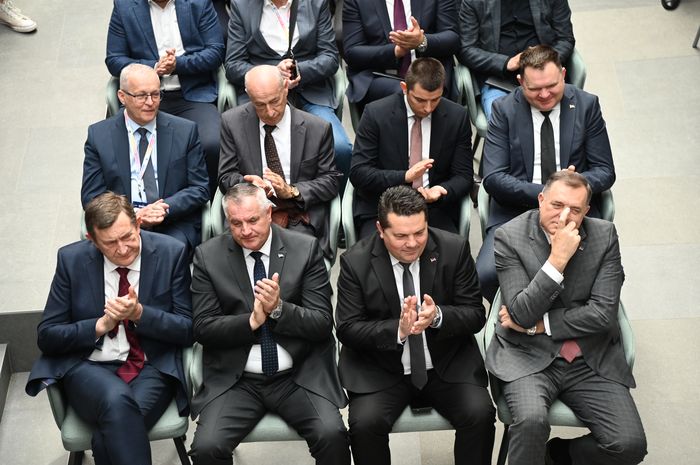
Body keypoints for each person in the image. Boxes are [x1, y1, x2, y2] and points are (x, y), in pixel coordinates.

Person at [486, 170, 647, 465]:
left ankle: (559, 455)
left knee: (629, 444)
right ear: (541, 199)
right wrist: (557, 260)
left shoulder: (604, 235)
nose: (564, 216)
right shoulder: (509, 236)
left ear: (586, 211)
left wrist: (541, 325)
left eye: (575, 209)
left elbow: (602, 314)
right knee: (531, 422)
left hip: (589, 358)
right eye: (556, 205)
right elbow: (521, 312)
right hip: (527, 357)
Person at [25, 192, 193, 465]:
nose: (123, 249)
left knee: (107, 439)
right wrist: (99, 326)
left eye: (128, 236)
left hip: (150, 367)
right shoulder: (72, 260)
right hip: (88, 367)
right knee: (117, 401)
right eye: (110, 243)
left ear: (138, 224)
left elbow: (187, 329)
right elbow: (48, 336)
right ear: (92, 240)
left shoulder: (170, 252)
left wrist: (140, 314)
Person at [189, 182, 350, 465]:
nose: (245, 230)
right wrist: (250, 322)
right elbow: (203, 327)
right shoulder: (208, 256)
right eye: (236, 223)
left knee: (332, 435)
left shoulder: (304, 248)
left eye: (252, 220)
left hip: (297, 375)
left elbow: (322, 323)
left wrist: (278, 310)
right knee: (206, 448)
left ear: (269, 213)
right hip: (238, 380)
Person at [336, 185, 495, 465]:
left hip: (446, 363)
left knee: (480, 414)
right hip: (381, 369)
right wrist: (397, 330)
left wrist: (439, 316)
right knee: (365, 425)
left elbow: (475, 314)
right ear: (380, 229)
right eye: (400, 236)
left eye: (420, 232)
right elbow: (347, 329)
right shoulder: (355, 262)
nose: (412, 243)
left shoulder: (454, 249)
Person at [477, 44, 615, 303]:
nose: (544, 95)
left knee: (594, 276)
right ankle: (518, 309)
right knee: (486, 274)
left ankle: (558, 318)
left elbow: (605, 171)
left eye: (551, 85)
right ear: (520, 82)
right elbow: (493, 178)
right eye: (534, 89)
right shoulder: (504, 110)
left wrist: (574, 187)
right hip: (517, 210)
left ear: (563, 74)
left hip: (573, 213)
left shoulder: (586, 105)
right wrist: (548, 194)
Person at [82, 63, 210, 258]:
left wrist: (165, 208)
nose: (150, 102)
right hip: (120, 223)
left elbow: (200, 188)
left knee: (168, 254)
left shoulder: (185, 131)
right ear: (122, 97)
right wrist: (131, 215)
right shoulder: (99, 135)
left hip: (172, 222)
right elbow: (92, 196)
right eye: (141, 96)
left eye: (156, 94)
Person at [225, 0, 353, 191]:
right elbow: (233, 64)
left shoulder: (316, 3)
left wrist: (298, 70)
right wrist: (272, 73)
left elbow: (330, 58)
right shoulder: (242, 5)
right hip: (264, 97)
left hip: (309, 92)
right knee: (245, 156)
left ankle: (334, 201)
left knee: (340, 148)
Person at [218, 65, 342, 261]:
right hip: (249, 216)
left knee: (297, 266)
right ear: (249, 96)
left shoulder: (317, 128)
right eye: (260, 105)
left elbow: (331, 181)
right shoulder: (232, 122)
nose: (269, 112)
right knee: (230, 265)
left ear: (285, 88)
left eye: (274, 101)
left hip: (298, 216)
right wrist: (250, 185)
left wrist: (292, 191)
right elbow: (226, 176)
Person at [106, 0, 224, 198]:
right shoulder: (124, 6)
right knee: (123, 147)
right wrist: (153, 67)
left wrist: (178, 64)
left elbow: (215, 52)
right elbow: (114, 59)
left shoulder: (198, 2)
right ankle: (135, 205)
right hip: (143, 97)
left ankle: (205, 202)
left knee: (212, 143)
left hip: (192, 96)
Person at [350, 58, 472, 239]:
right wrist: (404, 177)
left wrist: (440, 190)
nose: (428, 108)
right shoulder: (376, 114)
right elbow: (359, 173)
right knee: (375, 255)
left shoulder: (456, 117)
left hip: (434, 210)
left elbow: (463, 176)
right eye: (420, 100)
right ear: (404, 88)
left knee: (453, 254)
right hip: (383, 207)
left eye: (435, 99)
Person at [458, 0, 575, 119]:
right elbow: (466, 49)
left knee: (567, 121)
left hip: (545, 76)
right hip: (498, 81)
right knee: (503, 121)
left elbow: (565, 39)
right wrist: (506, 63)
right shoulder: (474, 2)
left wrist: (546, 59)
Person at [342, 0, 460, 110]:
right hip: (379, 76)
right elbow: (352, 53)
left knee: (424, 93)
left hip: (429, 72)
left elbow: (452, 39)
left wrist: (421, 41)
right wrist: (395, 51)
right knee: (405, 96)